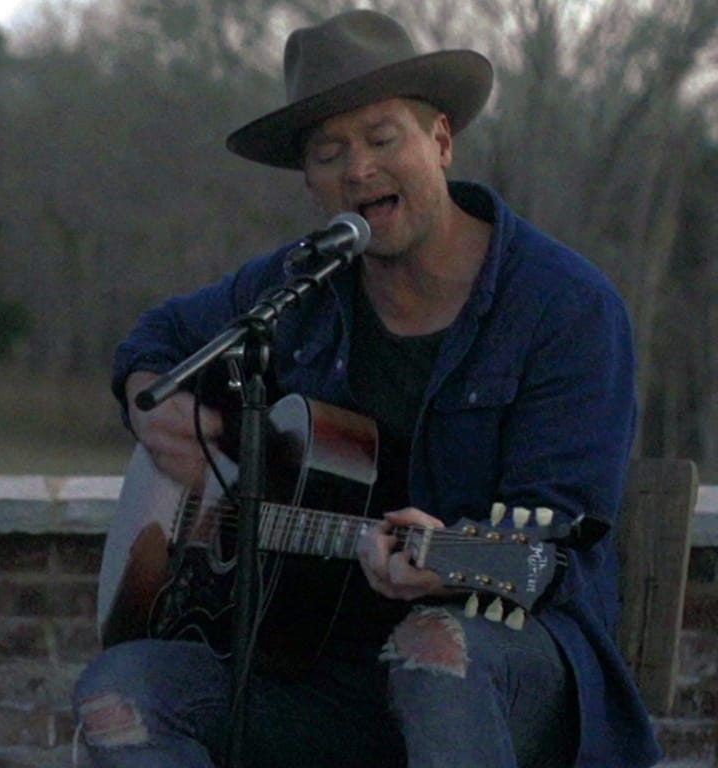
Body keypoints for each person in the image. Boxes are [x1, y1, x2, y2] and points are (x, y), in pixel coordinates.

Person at [72, 9, 659, 768]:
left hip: (509, 670)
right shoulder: (301, 287)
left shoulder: (564, 309)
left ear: (440, 142)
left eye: (384, 139)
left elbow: (558, 552)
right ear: (311, 183)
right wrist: (155, 399)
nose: (358, 170)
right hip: (321, 664)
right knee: (123, 691)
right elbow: (157, 340)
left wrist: (441, 564)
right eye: (330, 153)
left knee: (435, 650)